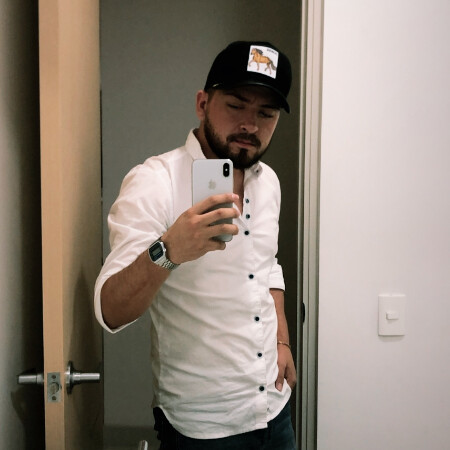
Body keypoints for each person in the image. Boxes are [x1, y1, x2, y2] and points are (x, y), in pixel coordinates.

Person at [94, 40, 297, 449]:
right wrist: (169, 252)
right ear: (202, 103)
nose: (250, 125)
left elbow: (267, 266)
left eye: (266, 113)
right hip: (201, 426)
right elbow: (110, 311)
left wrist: (282, 340)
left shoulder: (269, 182)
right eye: (236, 105)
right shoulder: (155, 181)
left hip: (274, 408)